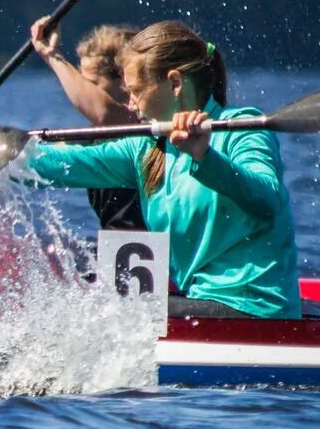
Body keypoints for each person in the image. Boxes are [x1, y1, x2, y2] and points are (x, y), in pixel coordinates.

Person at [25, 21, 302, 319]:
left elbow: (267, 200)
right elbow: (63, 164)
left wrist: (205, 157)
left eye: (135, 91)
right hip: (202, 301)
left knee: (96, 312)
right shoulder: (146, 148)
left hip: (257, 308)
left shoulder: (242, 127)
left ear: (174, 83)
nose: (129, 104)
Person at [30, 16, 145, 230]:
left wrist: (51, 56)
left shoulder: (144, 125)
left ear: (124, 81)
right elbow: (41, 156)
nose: (81, 91)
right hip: (122, 249)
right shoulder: (95, 135)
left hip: (162, 253)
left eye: (91, 84)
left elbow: (105, 113)